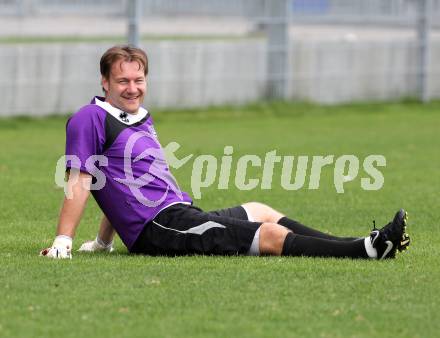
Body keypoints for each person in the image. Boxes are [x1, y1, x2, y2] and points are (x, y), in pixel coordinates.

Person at [40, 45, 411, 260]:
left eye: (139, 80)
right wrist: (64, 241)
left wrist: (104, 242)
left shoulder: (138, 117)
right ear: (104, 82)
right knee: (265, 234)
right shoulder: (90, 118)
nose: (132, 87)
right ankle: (366, 251)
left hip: (178, 214)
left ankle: (358, 243)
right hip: (159, 229)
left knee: (262, 209)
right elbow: (81, 181)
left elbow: (121, 185)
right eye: (122, 80)